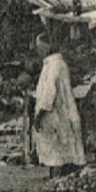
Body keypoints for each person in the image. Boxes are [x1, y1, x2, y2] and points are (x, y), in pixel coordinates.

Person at [32, 33, 85, 173]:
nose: (38, 50)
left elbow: (49, 93)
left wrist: (39, 116)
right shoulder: (53, 64)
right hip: (58, 116)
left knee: (56, 156)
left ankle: (56, 184)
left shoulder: (55, 65)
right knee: (57, 154)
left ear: (46, 46)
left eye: (40, 46)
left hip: (55, 116)